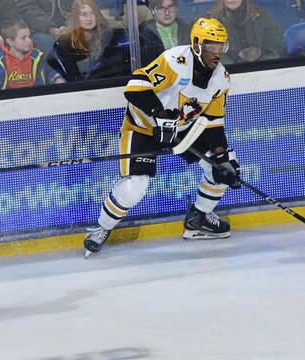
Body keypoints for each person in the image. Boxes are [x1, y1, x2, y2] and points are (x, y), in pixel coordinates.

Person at [83, 17, 241, 257]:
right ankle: (102, 228)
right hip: (144, 127)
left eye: (220, 47)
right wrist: (160, 114)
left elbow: (213, 122)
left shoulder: (221, 78)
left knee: (224, 166)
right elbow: (135, 87)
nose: (216, 53)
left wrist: (221, 156)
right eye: (211, 46)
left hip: (183, 129)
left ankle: (199, 218)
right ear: (197, 45)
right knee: (136, 185)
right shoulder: (175, 61)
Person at [49, 0, 128, 81]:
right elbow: (53, 63)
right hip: (78, 88)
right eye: (84, 14)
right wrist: (57, 77)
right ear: (76, 17)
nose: (89, 18)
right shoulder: (66, 42)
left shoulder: (110, 36)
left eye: (92, 13)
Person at [0, 21, 65, 89]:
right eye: (23, 38)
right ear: (10, 42)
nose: (29, 41)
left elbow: (51, 72)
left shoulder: (39, 57)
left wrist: (58, 79)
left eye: (29, 36)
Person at [208, 0, 283, 63]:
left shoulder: (263, 17)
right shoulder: (210, 24)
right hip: (228, 75)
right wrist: (235, 70)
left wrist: (260, 67)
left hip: (265, 72)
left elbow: (275, 50)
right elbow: (212, 55)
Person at [139, 0, 191, 66]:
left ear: (176, 8)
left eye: (170, 7)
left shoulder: (188, 29)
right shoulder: (142, 34)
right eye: (161, 9)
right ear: (153, 11)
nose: (167, 13)